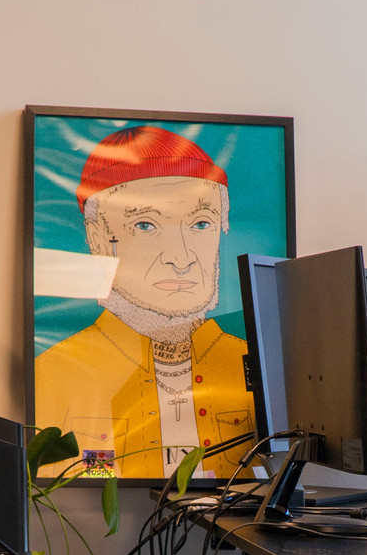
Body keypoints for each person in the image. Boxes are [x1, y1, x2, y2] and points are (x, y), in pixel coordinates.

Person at [32, 124, 254, 476]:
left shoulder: (251, 367)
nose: (181, 258)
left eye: (200, 224)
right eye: (146, 225)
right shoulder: (55, 373)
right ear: (98, 239)